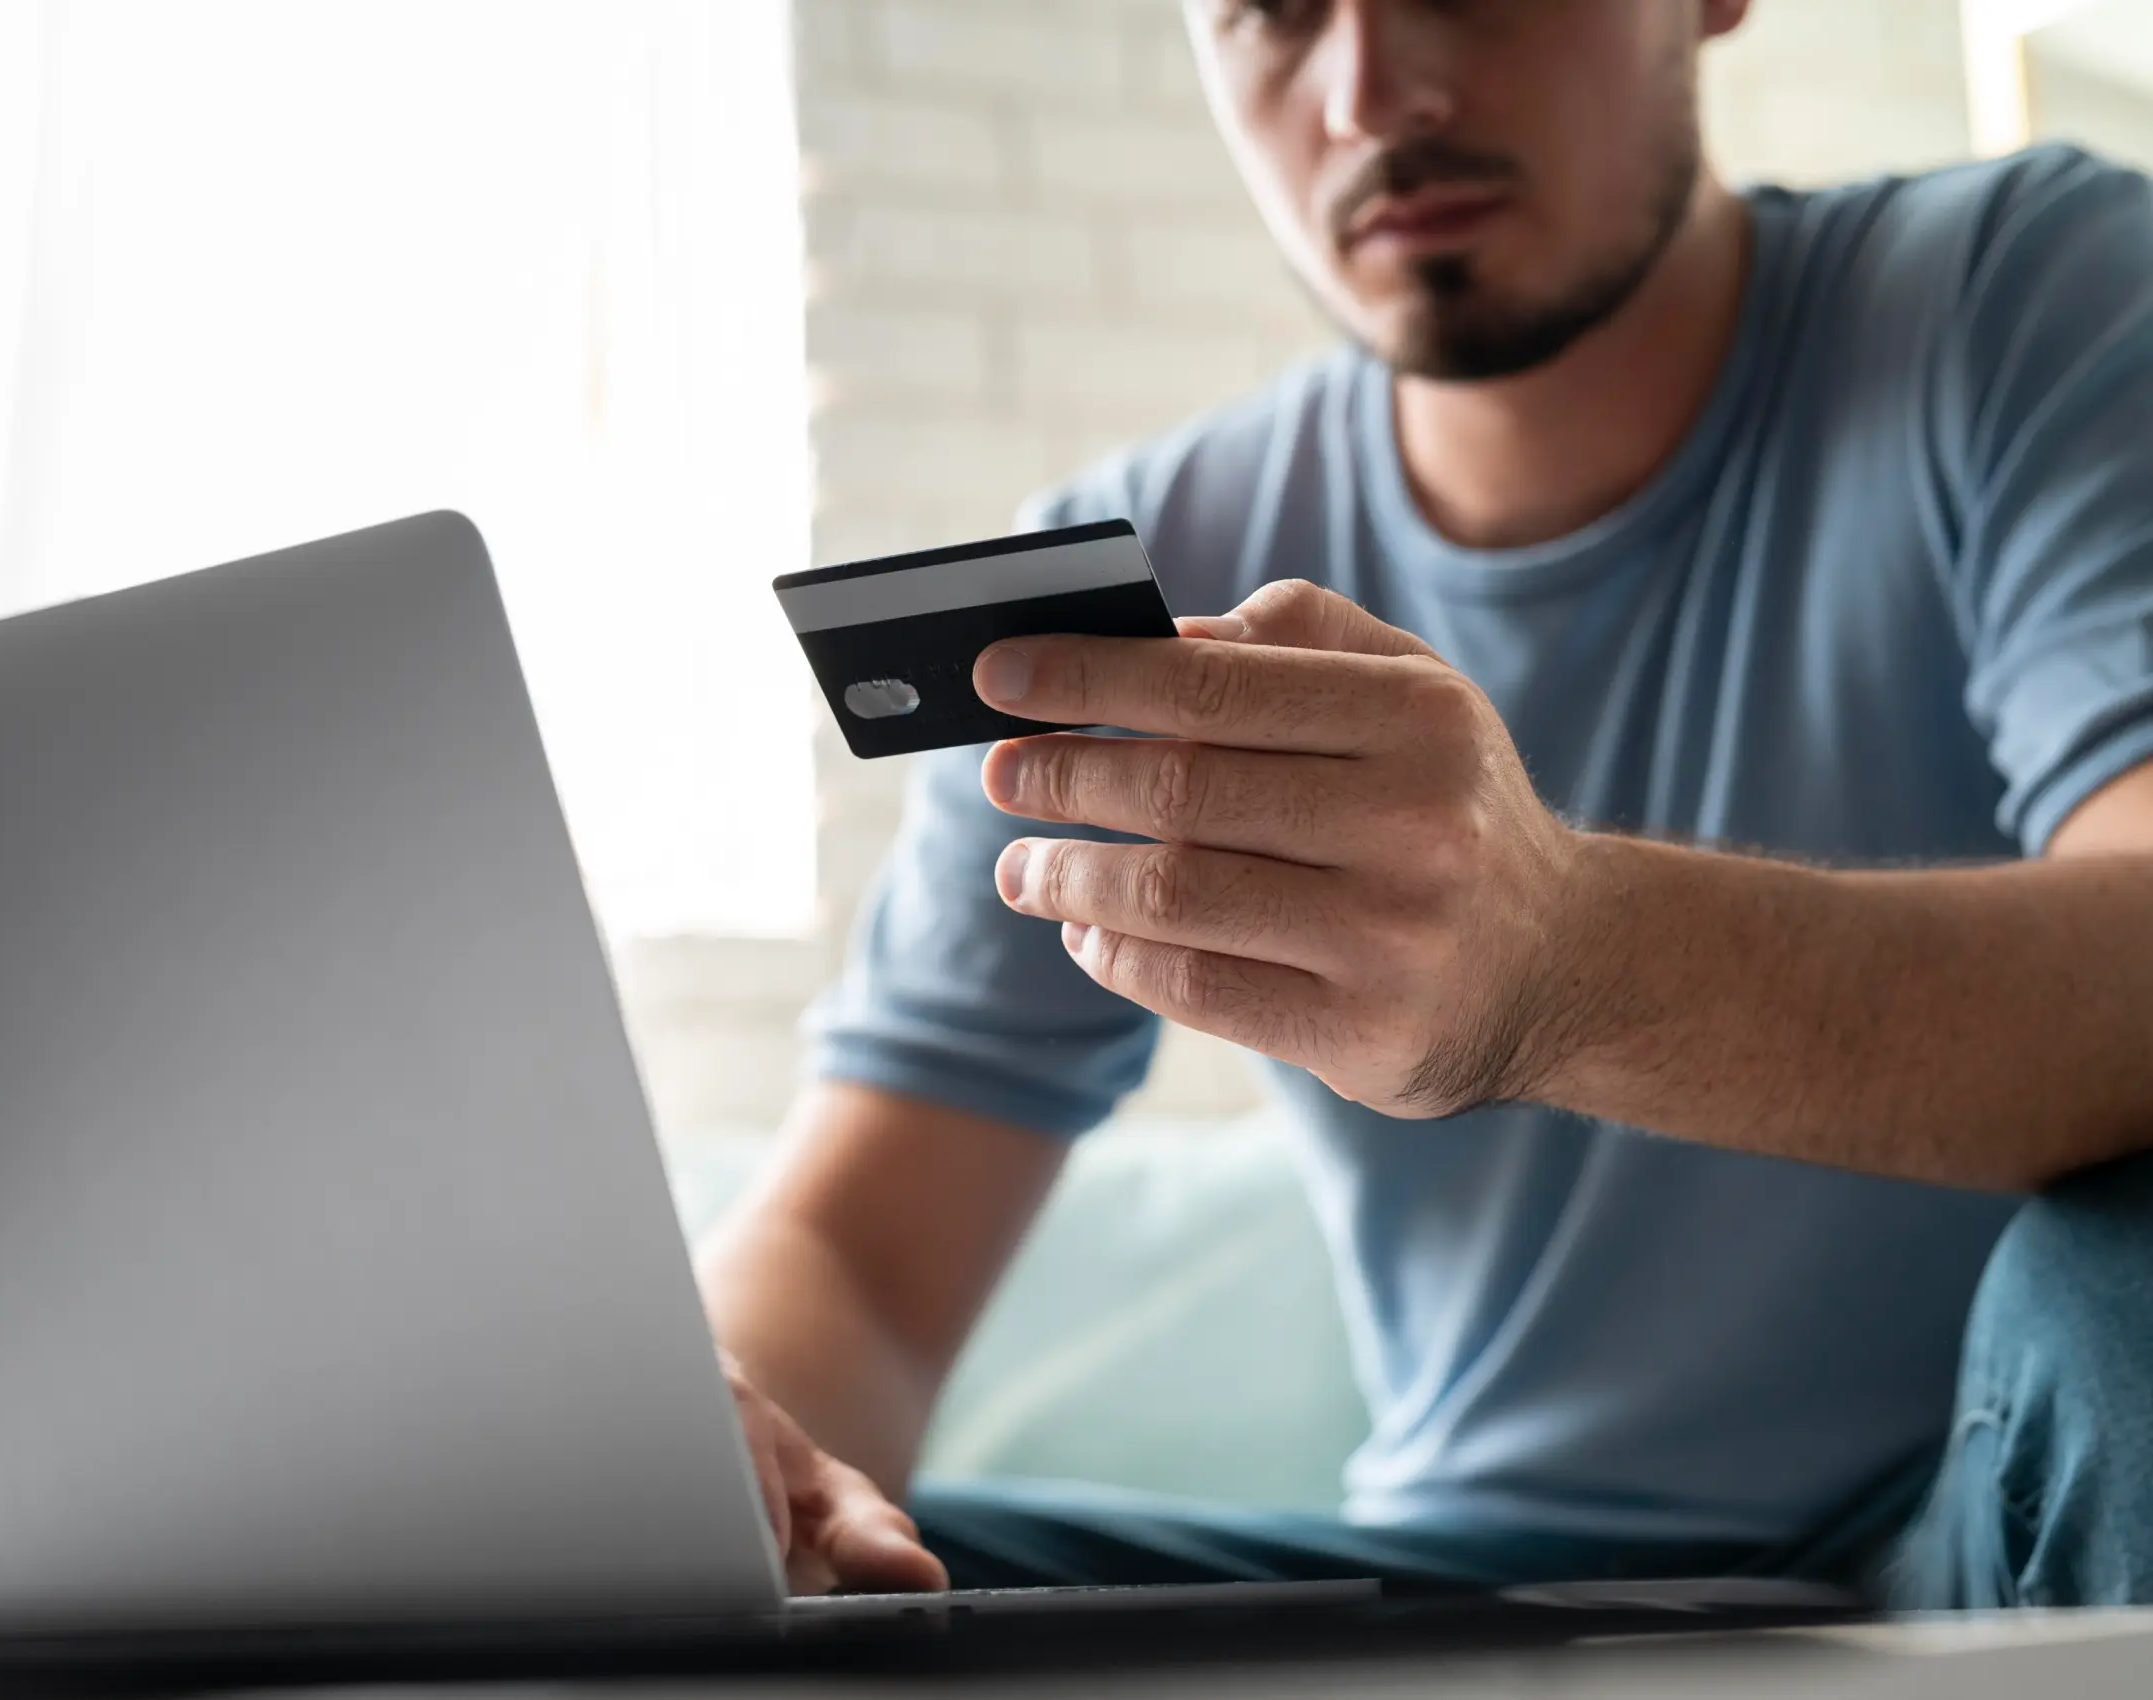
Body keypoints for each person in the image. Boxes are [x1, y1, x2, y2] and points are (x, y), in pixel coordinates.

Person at [702, 0, 2153, 1611]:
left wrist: (1565, 968)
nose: (1372, 92)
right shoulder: (1151, 557)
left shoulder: (2030, 297)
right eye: (1270, 11)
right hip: (1465, 1580)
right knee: (776, 1575)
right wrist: (721, 1442)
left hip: (1987, 1522)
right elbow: (864, 1257)